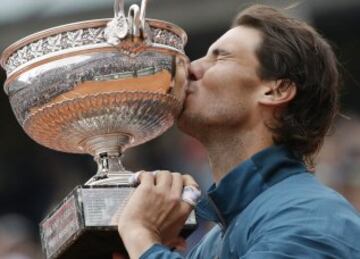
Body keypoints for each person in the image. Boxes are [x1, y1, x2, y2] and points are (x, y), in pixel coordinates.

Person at [115, 5, 360, 259]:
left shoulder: (310, 218)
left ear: (276, 90)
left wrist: (141, 236)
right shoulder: (214, 240)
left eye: (219, 57)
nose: (191, 69)